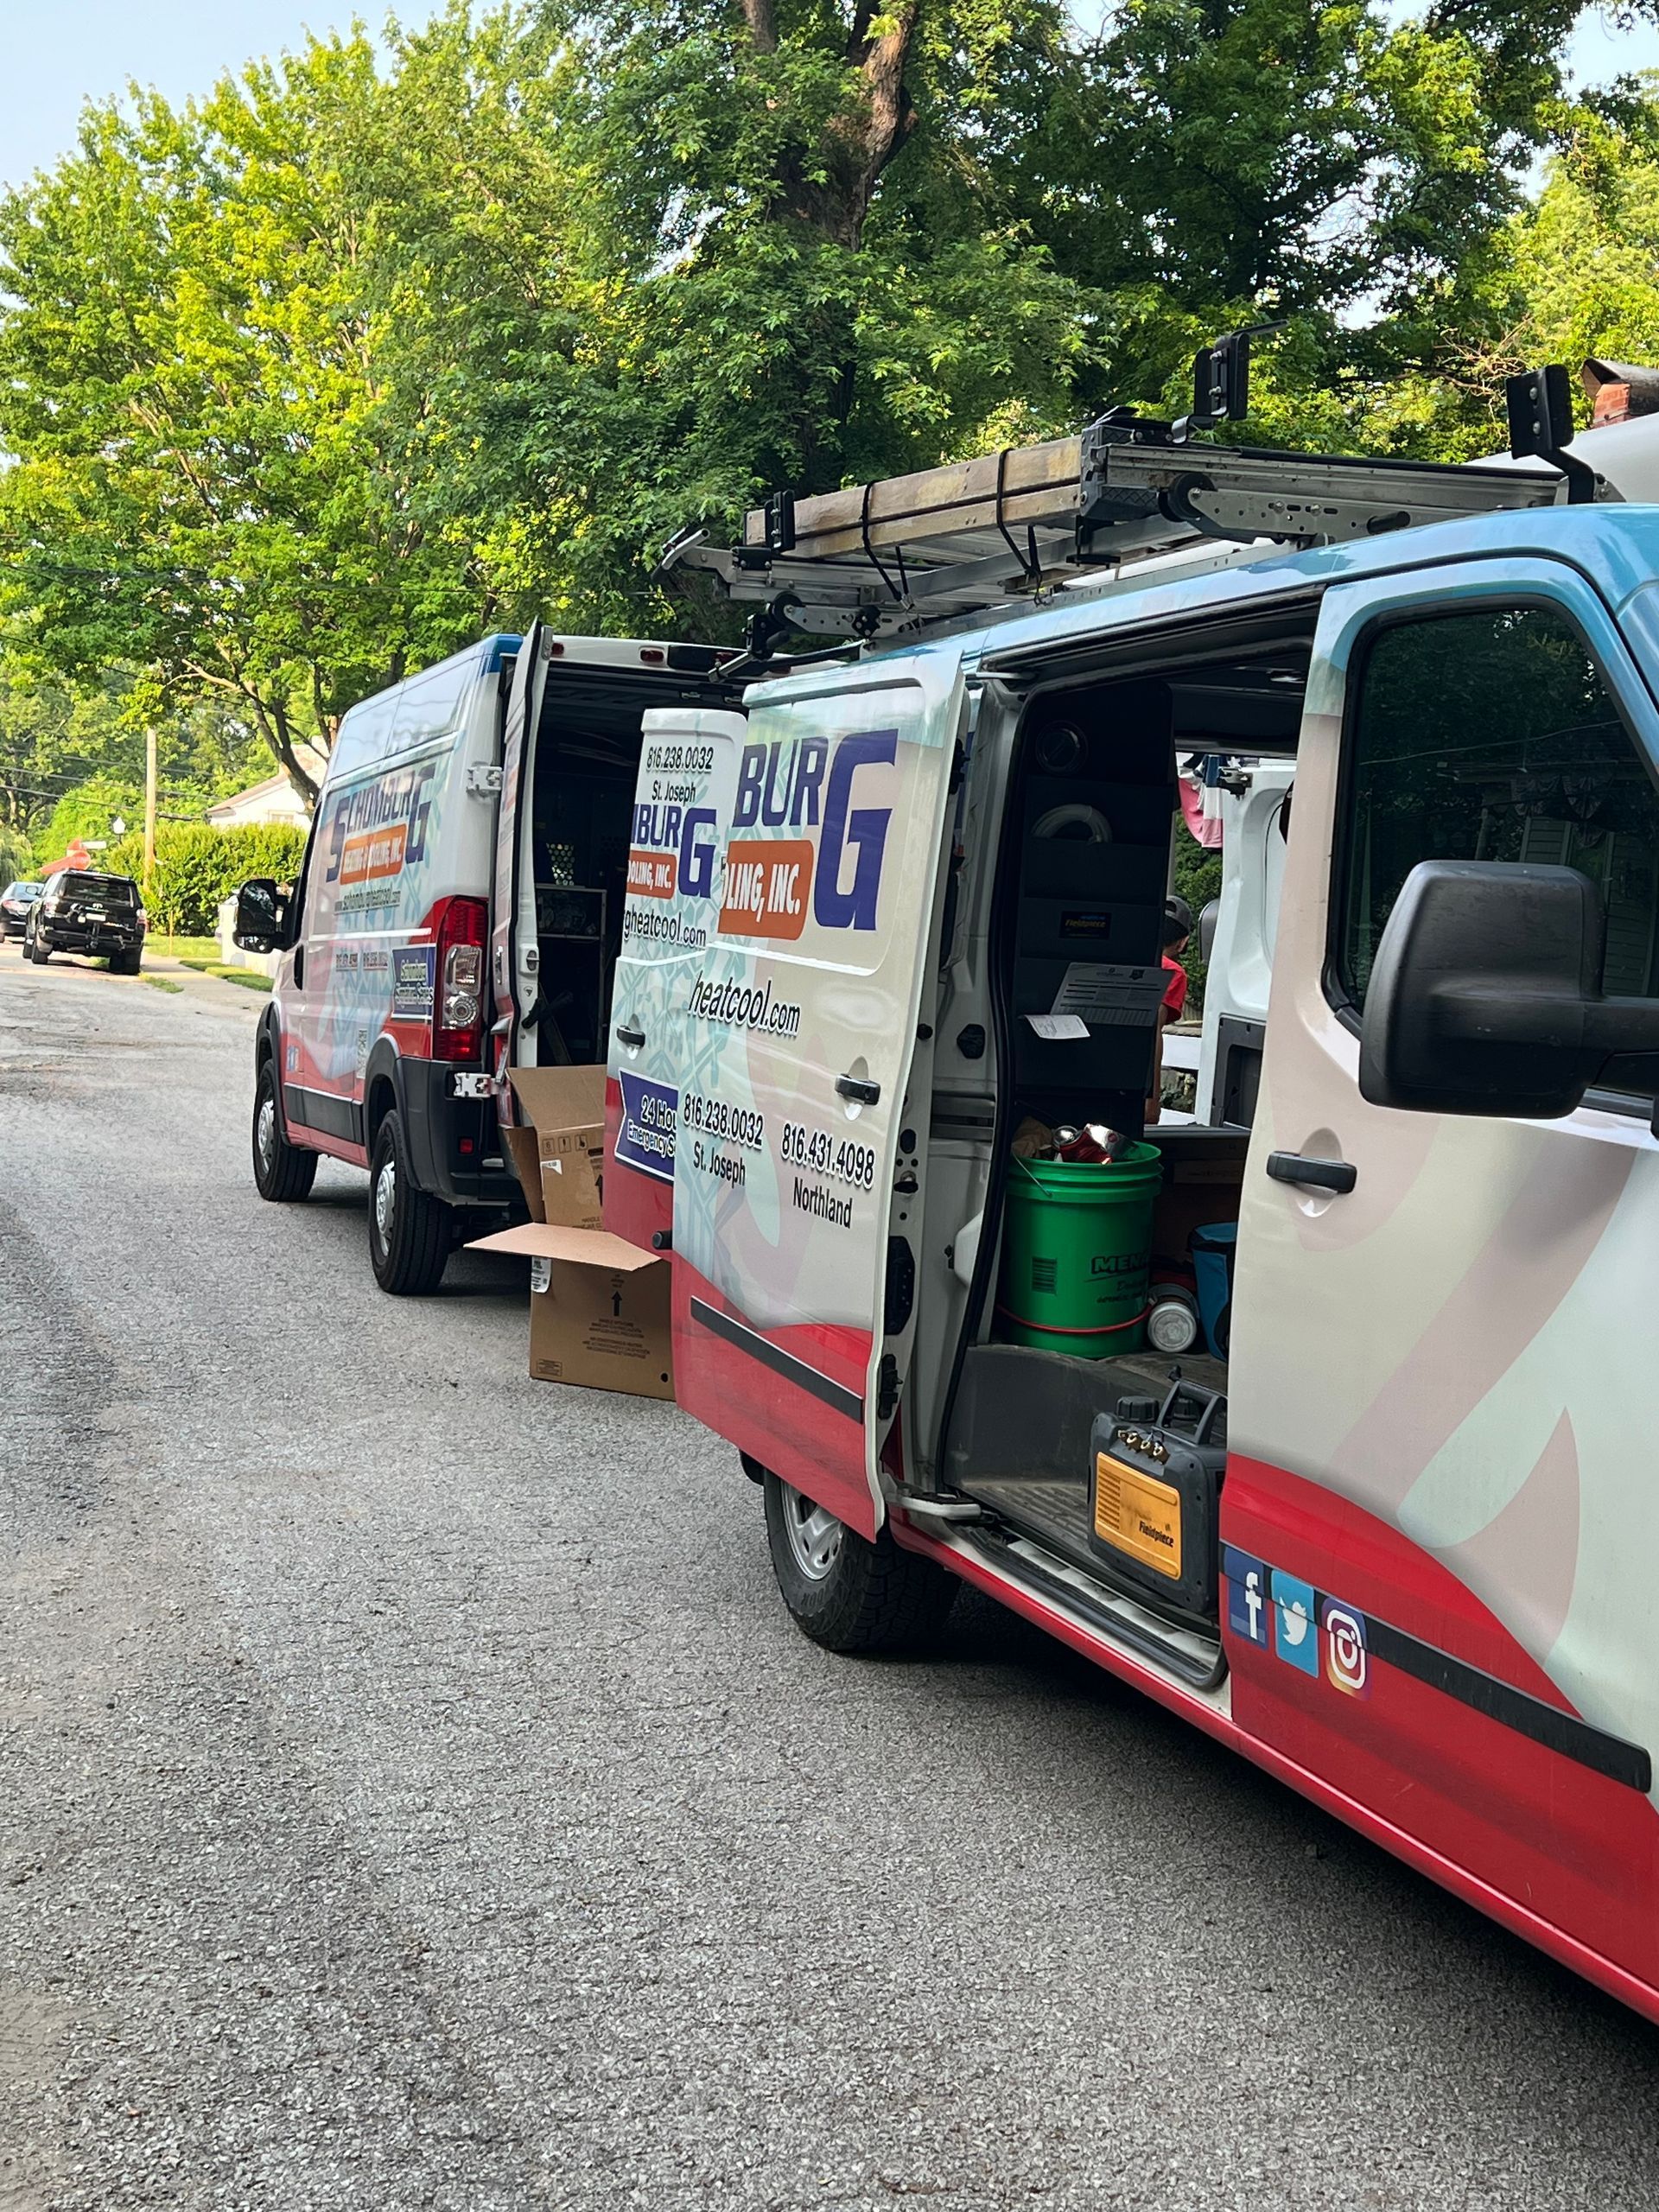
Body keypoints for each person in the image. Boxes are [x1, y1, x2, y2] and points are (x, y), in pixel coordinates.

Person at [1146, 894, 1192, 1125]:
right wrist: (1152, 1098)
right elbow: (1154, 1028)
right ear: (1182, 943)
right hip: (1134, 1079)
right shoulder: (1172, 972)